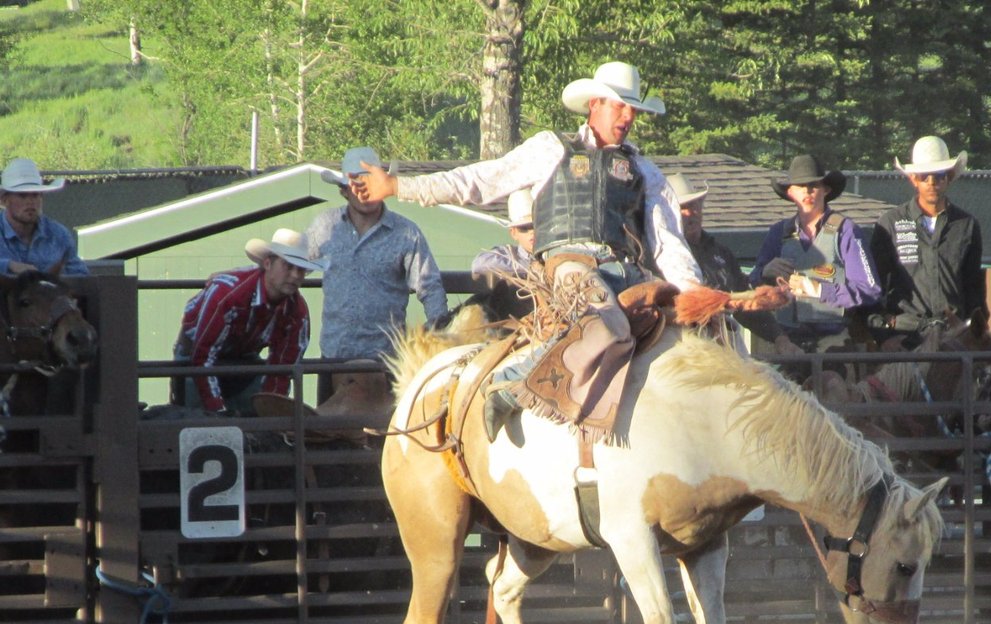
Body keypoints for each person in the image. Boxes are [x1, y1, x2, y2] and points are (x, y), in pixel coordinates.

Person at [350, 60, 703, 442]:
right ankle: (510, 382)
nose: (628, 115)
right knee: (606, 324)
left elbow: (668, 241)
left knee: (698, 332)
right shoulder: (551, 149)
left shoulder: (646, 172)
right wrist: (400, 187)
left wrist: (694, 291)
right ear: (595, 105)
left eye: (633, 109)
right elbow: (480, 180)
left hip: (627, 272)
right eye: (620, 105)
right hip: (570, 265)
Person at [305, 146, 448, 372]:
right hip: (334, 357)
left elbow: (430, 287)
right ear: (344, 190)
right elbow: (295, 267)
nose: (364, 192)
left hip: (386, 361)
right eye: (356, 185)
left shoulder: (406, 233)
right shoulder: (325, 226)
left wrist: (440, 334)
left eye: (370, 185)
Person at [172, 228, 325, 417]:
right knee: (195, 420)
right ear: (268, 264)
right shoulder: (228, 294)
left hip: (244, 356)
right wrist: (217, 412)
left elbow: (283, 369)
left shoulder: (297, 313)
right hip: (195, 355)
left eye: (301, 269)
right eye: (288, 266)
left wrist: (271, 413)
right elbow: (202, 355)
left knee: (252, 419)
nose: (295, 276)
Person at [664, 171, 802, 358]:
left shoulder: (720, 253)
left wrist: (779, 338)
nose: (691, 213)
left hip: (725, 344)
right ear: (669, 213)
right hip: (682, 347)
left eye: (694, 205)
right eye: (682, 208)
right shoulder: (664, 256)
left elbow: (744, 305)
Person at [748, 153, 879, 350]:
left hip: (835, 341)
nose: (807, 191)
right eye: (801, 186)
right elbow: (752, 283)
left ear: (826, 189)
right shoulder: (777, 233)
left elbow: (870, 290)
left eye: (814, 185)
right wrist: (764, 272)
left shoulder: (846, 230)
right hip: (787, 342)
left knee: (831, 381)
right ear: (790, 192)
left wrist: (819, 289)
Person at [867, 136, 985, 347]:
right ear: (913, 179)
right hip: (904, 336)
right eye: (924, 176)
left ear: (949, 177)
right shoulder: (890, 223)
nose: (931, 182)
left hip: (953, 337)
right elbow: (872, 286)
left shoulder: (967, 225)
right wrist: (884, 335)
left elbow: (974, 287)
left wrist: (973, 330)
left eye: (938, 176)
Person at [0, 158, 88, 277]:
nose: (30, 202)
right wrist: (9, 265)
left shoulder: (58, 235)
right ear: (5, 200)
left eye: (36, 195)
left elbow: (81, 275)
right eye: (22, 195)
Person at [469, 188, 537, 321]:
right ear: (514, 233)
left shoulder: (557, 255)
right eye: (524, 228)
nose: (531, 232)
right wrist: (531, 269)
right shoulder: (507, 254)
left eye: (535, 226)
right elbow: (479, 264)